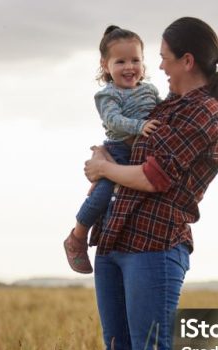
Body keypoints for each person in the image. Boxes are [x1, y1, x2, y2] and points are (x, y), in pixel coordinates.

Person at [82, 17, 218, 350]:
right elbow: (125, 147)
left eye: (164, 58)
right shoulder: (168, 106)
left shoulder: (205, 113)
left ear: (188, 60)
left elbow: (153, 176)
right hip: (115, 241)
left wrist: (105, 168)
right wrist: (106, 163)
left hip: (156, 245)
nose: (159, 67)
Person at [63, 26, 161, 274]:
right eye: (121, 62)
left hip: (140, 151)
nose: (129, 67)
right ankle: (77, 236)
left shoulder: (149, 90)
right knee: (105, 191)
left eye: (135, 60)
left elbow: (162, 110)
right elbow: (113, 121)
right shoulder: (107, 95)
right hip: (118, 150)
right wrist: (140, 126)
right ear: (105, 65)